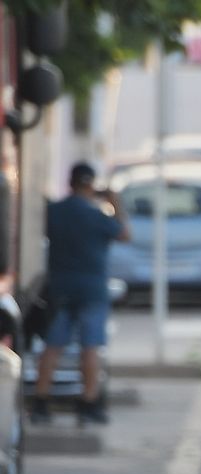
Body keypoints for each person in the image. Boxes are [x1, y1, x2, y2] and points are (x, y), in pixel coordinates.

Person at [31, 162, 130, 426]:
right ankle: (89, 403)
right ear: (91, 185)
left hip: (60, 289)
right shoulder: (97, 216)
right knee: (90, 348)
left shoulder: (54, 212)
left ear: (70, 183)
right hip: (92, 291)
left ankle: (41, 402)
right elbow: (125, 234)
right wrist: (115, 202)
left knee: (52, 347)